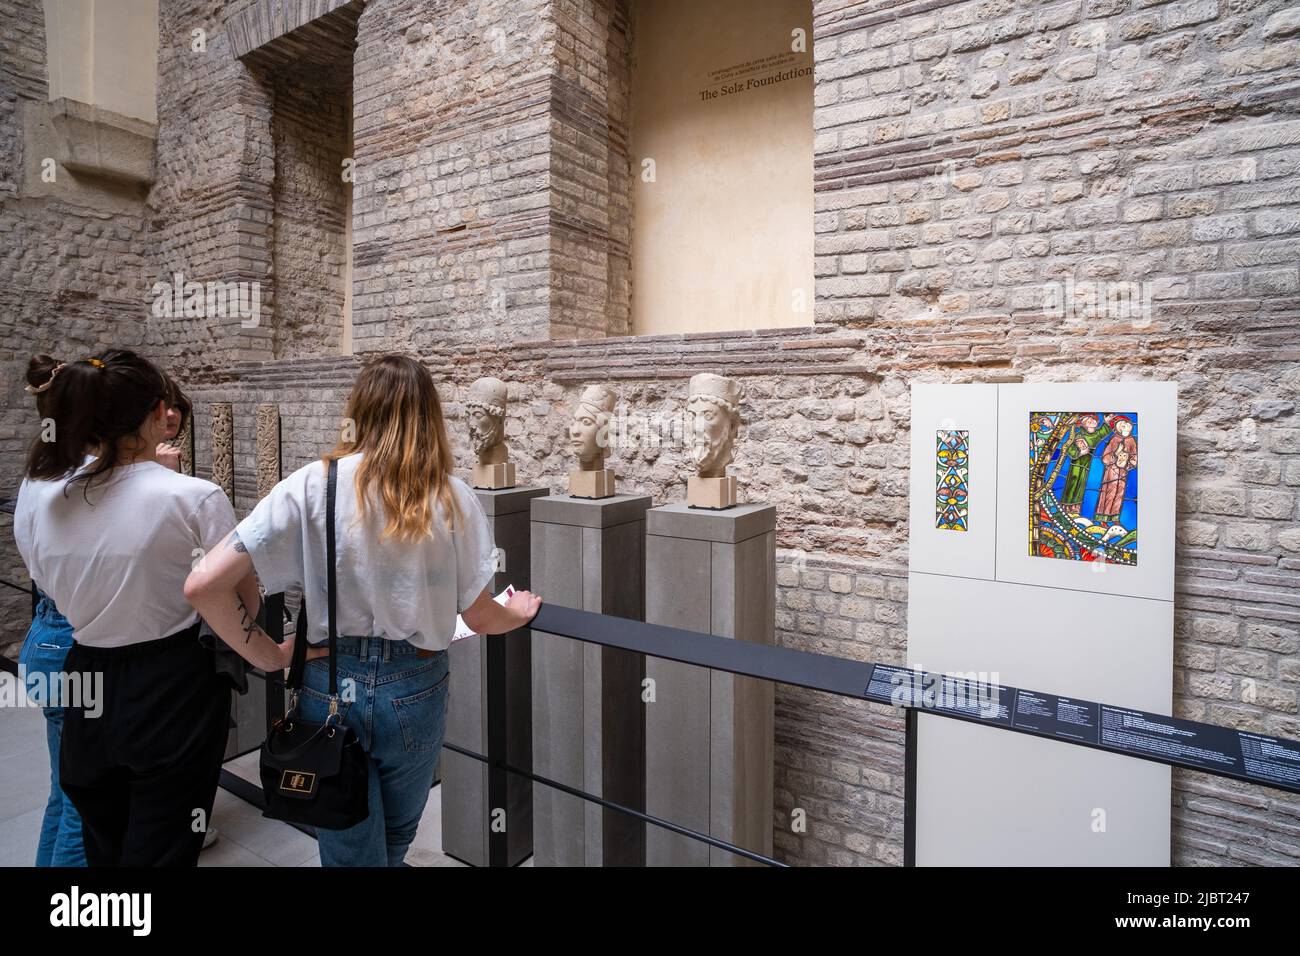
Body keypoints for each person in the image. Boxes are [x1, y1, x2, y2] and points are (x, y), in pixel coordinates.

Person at [186, 353, 541, 866]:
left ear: (359, 410)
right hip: (414, 685)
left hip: (325, 678)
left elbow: (203, 585)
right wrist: (520, 611)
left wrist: (268, 656)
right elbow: (483, 616)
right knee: (393, 843)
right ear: (428, 418)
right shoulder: (451, 496)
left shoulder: (312, 485)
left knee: (348, 844)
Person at [13, 349, 294, 866]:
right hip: (169, 684)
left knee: (102, 845)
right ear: (152, 413)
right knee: (162, 848)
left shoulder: (46, 496)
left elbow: (47, 584)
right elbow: (243, 601)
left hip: (85, 675)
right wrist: (271, 654)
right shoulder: (193, 497)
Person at [15, 355, 86, 867]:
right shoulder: (79, 480)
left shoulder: (37, 474)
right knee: (85, 804)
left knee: (65, 793)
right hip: (70, 644)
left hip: (44, 636)